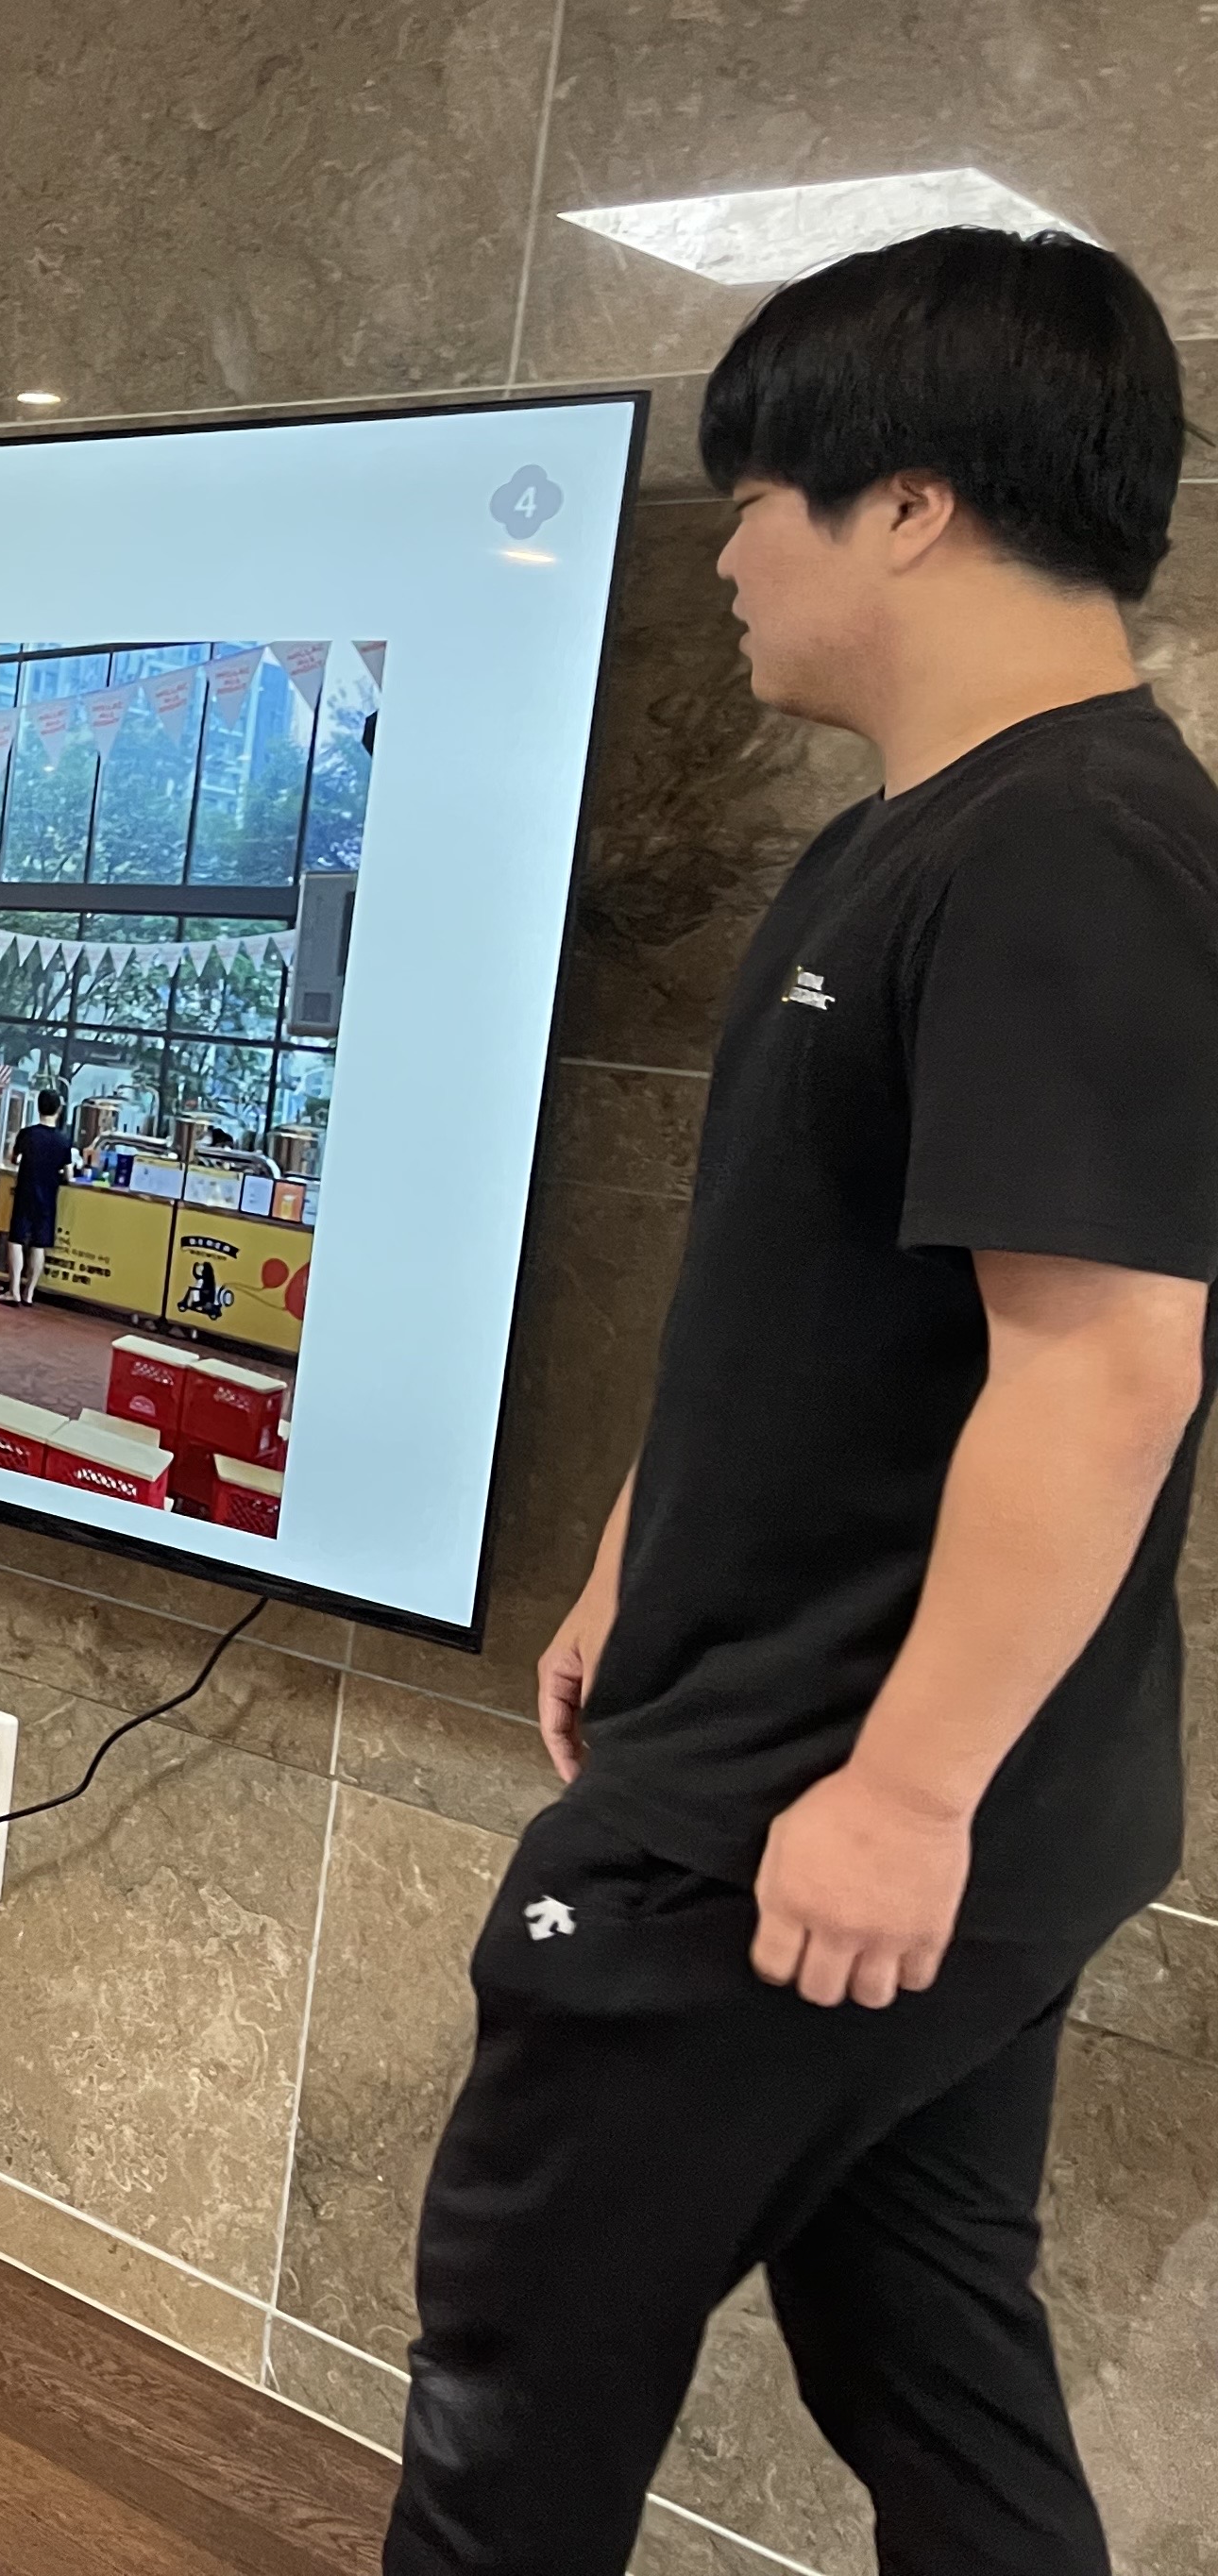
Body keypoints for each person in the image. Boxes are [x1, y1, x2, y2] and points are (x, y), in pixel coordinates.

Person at [388, 228, 1217, 2576]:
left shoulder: (1074, 848)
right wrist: (626, 1568)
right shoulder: (899, 840)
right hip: (841, 1771)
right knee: (927, 2364)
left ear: (913, 506)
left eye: (759, 498)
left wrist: (901, 1794)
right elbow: (810, 1294)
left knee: (515, 2390)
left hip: (805, 1812)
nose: (731, 552)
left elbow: (1107, 1363)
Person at [1, 1089, 71, 1305]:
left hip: (25, 1193)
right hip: (47, 1198)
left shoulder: (27, 1134)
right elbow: (69, 1175)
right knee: (39, 1245)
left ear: (38, 1107)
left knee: (16, 1240)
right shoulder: (63, 1140)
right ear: (59, 1110)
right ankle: (29, 1294)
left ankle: (13, 1291)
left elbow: (13, 1159)